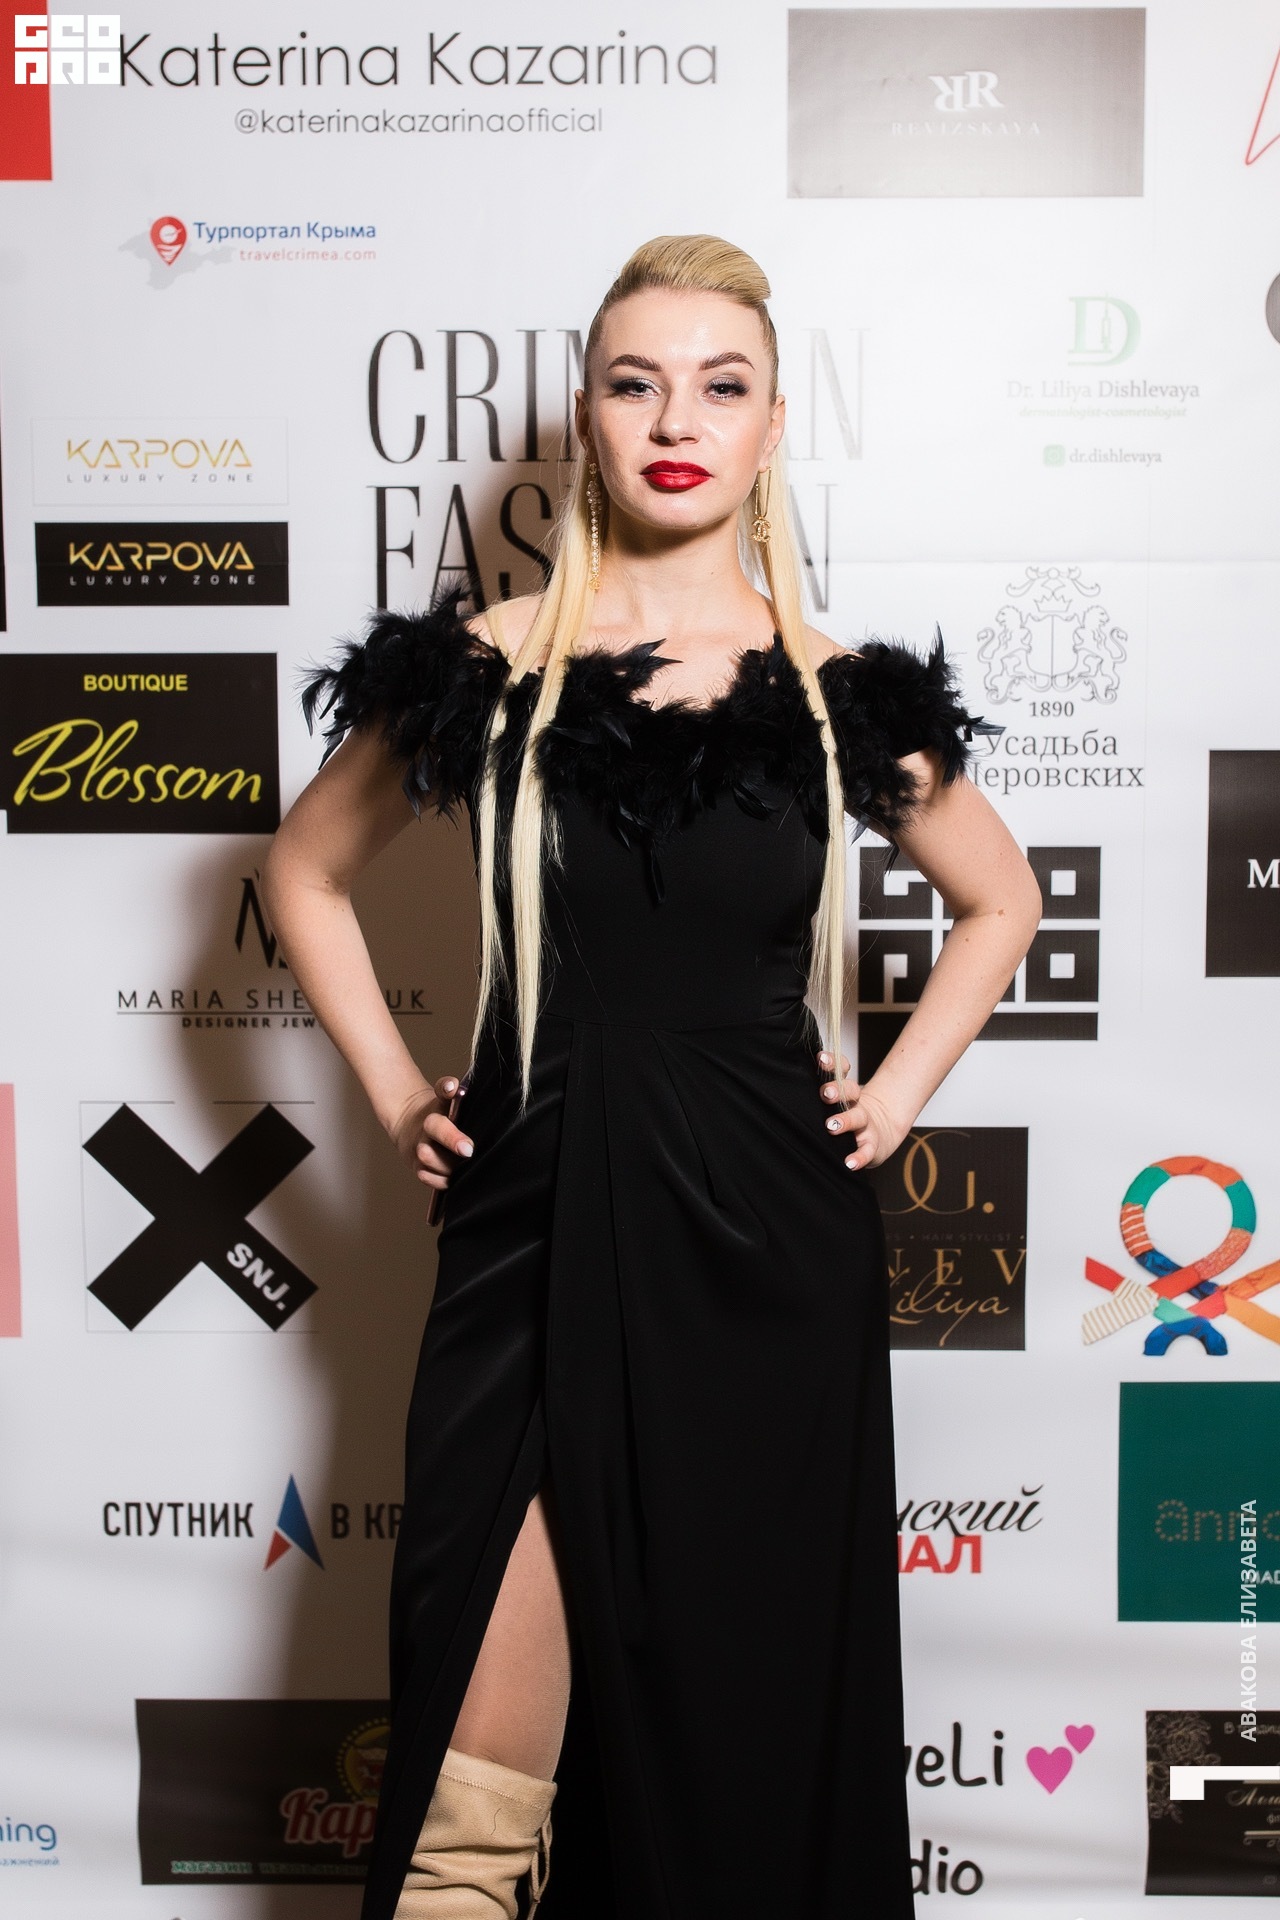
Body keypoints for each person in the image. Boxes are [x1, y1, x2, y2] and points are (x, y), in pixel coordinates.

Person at [263, 234, 1042, 1920]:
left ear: (771, 426)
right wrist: (395, 1093)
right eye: (636, 383)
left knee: (741, 1724)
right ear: (589, 417)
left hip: (767, 1244)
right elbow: (300, 875)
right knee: (473, 1750)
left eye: (721, 385)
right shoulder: (482, 670)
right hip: (534, 1212)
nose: (677, 420)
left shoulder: (837, 696)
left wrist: (895, 1095)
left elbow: (1004, 900)